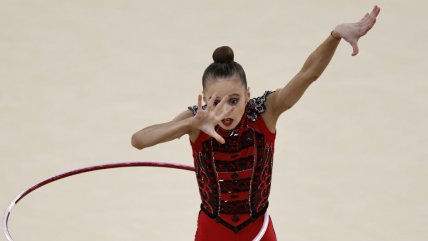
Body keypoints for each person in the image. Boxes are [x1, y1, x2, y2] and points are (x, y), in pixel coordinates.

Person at [131, 5, 380, 241]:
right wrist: (187, 126)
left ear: (248, 95)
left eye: (234, 100)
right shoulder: (197, 119)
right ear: (206, 99)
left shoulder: (266, 112)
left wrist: (335, 35)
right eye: (216, 101)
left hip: (258, 230)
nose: (226, 109)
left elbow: (307, 74)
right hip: (213, 231)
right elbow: (139, 141)